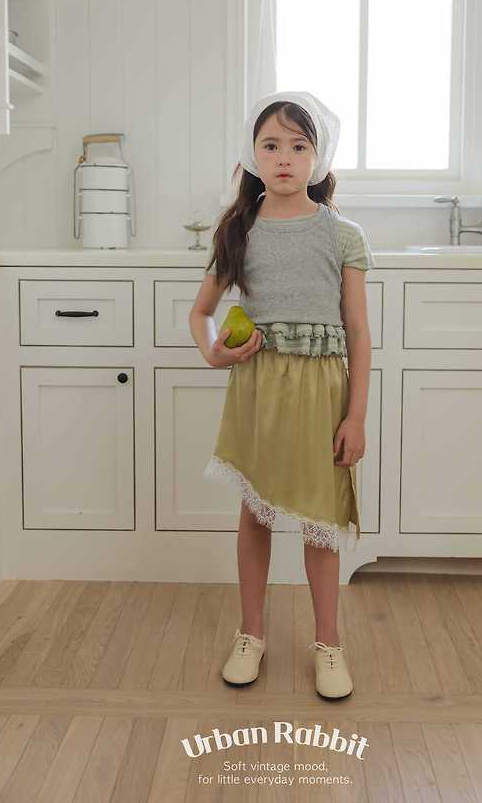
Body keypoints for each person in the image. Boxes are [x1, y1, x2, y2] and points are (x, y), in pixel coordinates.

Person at [189, 90, 374, 699]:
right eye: (271, 145)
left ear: (319, 157)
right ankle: (251, 634)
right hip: (259, 391)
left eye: (298, 146)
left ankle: (329, 643)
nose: (285, 157)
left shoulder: (343, 235)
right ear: (254, 155)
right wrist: (213, 351)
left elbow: (358, 332)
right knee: (256, 511)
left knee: (321, 520)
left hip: (322, 393)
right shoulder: (238, 231)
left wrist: (356, 416)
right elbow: (201, 313)